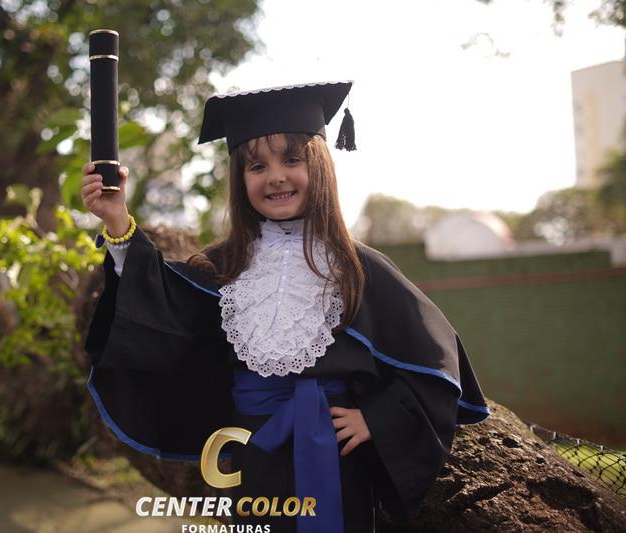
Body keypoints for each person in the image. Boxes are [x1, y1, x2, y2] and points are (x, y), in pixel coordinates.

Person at [81, 81, 489, 533]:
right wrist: (118, 222)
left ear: (320, 168)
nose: (275, 176)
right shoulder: (224, 266)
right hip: (251, 451)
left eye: (292, 160)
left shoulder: (356, 267)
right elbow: (160, 306)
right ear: (241, 179)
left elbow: (436, 359)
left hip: (333, 455)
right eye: (257, 165)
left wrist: (378, 418)